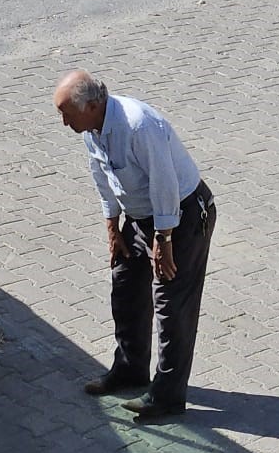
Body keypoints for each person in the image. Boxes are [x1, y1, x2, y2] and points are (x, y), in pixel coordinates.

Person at [52, 70, 215, 424]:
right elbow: (102, 175)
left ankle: (168, 396)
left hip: (180, 216)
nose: (64, 122)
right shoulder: (91, 129)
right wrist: (112, 226)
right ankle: (130, 369)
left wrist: (164, 239)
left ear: (93, 106)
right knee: (125, 286)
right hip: (139, 218)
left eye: (67, 114)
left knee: (171, 304)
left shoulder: (139, 126)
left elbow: (165, 184)